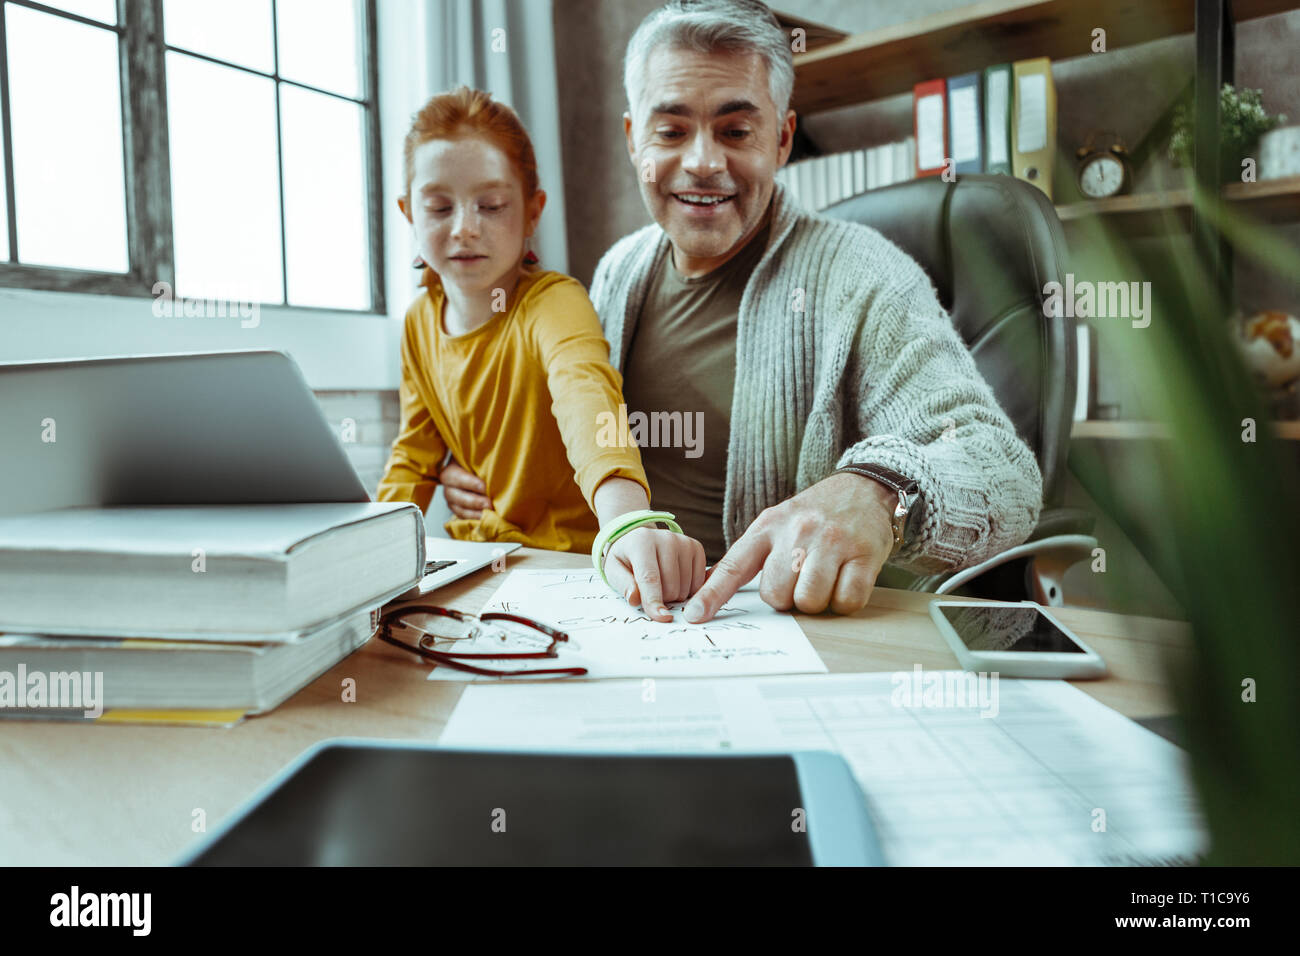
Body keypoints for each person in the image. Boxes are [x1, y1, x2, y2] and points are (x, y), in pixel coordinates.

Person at [442, 0, 1043, 624]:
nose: (702, 162)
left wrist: (882, 492)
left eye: (735, 131)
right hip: (627, 618)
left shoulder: (864, 275)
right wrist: (492, 461)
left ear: (782, 138)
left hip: (791, 635)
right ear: (633, 139)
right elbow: (588, 425)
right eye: (671, 131)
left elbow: (1005, 472)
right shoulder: (618, 272)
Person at [376, 86, 706, 622]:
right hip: (479, 559)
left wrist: (625, 519)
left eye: (491, 205)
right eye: (439, 207)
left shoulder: (553, 303)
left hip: (566, 562)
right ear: (409, 212)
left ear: (532, 211)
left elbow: (589, 402)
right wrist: (364, 545)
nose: (464, 226)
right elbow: (414, 454)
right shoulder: (418, 322)